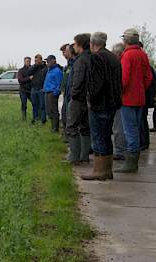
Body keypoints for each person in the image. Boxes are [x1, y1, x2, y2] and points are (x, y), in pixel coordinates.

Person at [81, 32, 122, 180]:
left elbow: (96, 83)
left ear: (92, 44)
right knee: (106, 136)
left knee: (98, 137)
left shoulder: (96, 57)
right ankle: (107, 169)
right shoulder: (113, 57)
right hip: (112, 102)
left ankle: (99, 170)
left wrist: (90, 99)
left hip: (101, 104)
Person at [115, 28, 153, 173]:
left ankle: (131, 163)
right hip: (140, 98)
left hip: (128, 99)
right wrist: (140, 88)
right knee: (135, 129)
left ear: (126, 41)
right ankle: (132, 162)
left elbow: (123, 79)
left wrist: (120, 93)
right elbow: (148, 76)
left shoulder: (127, 55)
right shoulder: (143, 55)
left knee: (130, 131)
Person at [66, 33, 92, 165]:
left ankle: (74, 157)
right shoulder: (91, 58)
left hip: (78, 99)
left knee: (71, 127)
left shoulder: (80, 60)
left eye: (75, 44)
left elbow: (78, 81)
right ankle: (84, 156)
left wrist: (73, 95)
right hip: (88, 98)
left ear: (80, 45)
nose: (74, 46)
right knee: (85, 127)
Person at [111, 43, 128, 161]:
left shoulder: (121, 63)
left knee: (119, 126)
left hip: (122, 98)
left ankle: (120, 150)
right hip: (133, 98)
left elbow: (122, 81)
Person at [43, 55, 63, 132]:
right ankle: (53, 126)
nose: (47, 62)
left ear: (53, 61)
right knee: (49, 110)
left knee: (54, 110)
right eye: (47, 61)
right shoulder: (49, 70)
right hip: (47, 92)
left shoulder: (57, 71)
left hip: (52, 93)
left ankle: (55, 128)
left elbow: (59, 83)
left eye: (48, 61)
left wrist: (55, 93)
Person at [60, 44, 75, 138]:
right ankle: (67, 135)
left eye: (64, 51)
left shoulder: (74, 63)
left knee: (70, 116)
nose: (63, 54)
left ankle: (70, 138)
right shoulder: (68, 65)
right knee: (64, 114)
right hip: (66, 93)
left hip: (72, 94)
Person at [29, 54, 47, 124]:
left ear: (41, 60)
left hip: (41, 88)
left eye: (37, 60)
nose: (35, 61)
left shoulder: (45, 67)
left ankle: (43, 120)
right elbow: (29, 72)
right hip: (34, 88)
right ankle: (35, 118)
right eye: (35, 60)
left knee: (42, 105)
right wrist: (36, 66)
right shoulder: (34, 67)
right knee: (34, 104)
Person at [17, 57, 33, 121]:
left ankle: (36, 117)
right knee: (24, 104)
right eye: (27, 61)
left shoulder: (32, 69)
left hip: (31, 90)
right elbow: (21, 80)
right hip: (23, 90)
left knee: (35, 103)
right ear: (24, 62)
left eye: (29, 61)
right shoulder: (21, 70)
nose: (28, 62)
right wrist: (29, 78)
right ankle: (24, 118)